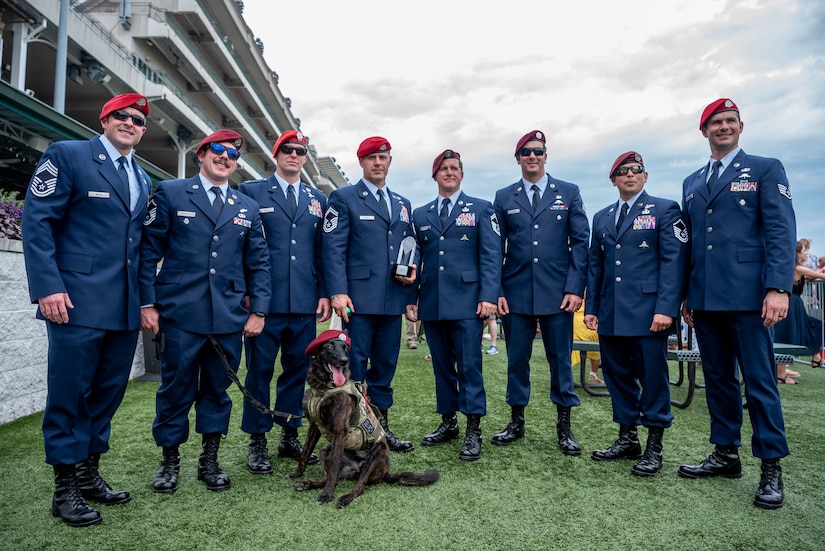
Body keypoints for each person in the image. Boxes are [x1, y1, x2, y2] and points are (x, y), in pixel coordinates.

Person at [22, 93, 152, 527]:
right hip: (73, 302)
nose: (130, 123)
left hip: (123, 307)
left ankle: (88, 474)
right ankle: (65, 490)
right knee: (69, 395)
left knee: (107, 395)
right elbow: (37, 220)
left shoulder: (141, 176)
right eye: (122, 116)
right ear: (105, 118)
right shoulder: (70, 154)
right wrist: (47, 287)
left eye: (138, 120)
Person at [678, 98, 796, 510]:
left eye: (730, 121)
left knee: (760, 383)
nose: (723, 127)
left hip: (750, 298)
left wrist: (778, 287)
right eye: (716, 122)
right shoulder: (692, 181)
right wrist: (687, 294)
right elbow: (690, 244)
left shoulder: (766, 168)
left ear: (741, 127)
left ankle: (770, 466)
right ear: (704, 131)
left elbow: (781, 229)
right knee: (719, 381)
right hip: (707, 299)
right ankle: (726, 454)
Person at [140, 130, 271, 494]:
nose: (225, 157)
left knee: (217, 390)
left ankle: (209, 461)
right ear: (202, 154)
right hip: (180, 313)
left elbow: (259, 262)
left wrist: (259, 310)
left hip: (228, 316)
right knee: (175, 389)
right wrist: (146, 303)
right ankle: (169, 462)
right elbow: (148, 251)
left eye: (232, 154)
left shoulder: (246, 206)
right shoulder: (170, 192)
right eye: (218, 150)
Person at [585, 151, 688, 477]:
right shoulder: (601, 217)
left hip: (648, 315)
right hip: (611, 313)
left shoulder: (665, 209)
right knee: (617, 378)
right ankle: (627, 437)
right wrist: (592, 309)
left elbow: (674, 262)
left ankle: (654, 446)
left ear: (645, 177)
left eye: (637, 170)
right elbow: (596, 267)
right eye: (623, 171)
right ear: (614, 179)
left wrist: (666, 308)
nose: (631, 175)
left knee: (653, 379)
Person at [236, 130, 330, 474]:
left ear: (305, 157)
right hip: (265, 301)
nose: (294, 155)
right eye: (287, 150)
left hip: (304, 301)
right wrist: (246, 291)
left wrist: (323, 292)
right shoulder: (251, 191)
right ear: (276, 155)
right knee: (259, 371)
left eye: (300, 151)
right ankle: (258, 440)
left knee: (296, 372)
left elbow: (322, 251)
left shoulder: (317, 198)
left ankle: (289, 434)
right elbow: (241, 246)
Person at [492, 130, 590, 455]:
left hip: (558, 294)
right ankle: (516, 422)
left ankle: (564, 427)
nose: (533, 156)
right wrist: (499, 290)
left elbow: (580, 243)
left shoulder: (569, 192)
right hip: (516, 294)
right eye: (526, 152)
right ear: (518, 158)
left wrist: (576, 287)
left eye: (538, 151)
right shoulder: (504, 197)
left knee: (560, 361)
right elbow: (495, 248)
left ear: (546, 156)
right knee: (516, 361)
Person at [322, 136, 418, 452]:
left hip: (392, 299)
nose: (378, 162)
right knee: (357, 367)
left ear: (390, 162)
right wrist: (337, 291)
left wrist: (412, 279)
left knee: (386, 365)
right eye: (372, 158)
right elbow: (333, 248)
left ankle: (381, 428)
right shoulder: (344, 197)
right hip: (358, 301)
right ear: (361, 162)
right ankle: (355, 430)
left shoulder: (403, 203)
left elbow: (410, 247)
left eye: (383, 157)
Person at [408, 149, 501, 461]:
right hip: (432, 302)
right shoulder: (419, 215)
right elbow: (412, 262)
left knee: (470, 366)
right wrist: (412, 300)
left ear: (462, 174)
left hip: (467, 303)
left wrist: (489, 296)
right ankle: (448, 422)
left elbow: (491, 256)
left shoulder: (481, 209)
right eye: (444, 168)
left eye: (455, 168)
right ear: (435, 175)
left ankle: (473, 427)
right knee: (442, 367)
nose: (450, 172)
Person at [773, 240, 825, 378]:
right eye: (804, 251)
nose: (806, 253)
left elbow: (809, 276)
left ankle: (815, 357)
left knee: (787, 334)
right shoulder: (798, 269)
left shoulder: (793, 269)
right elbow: (821, 276)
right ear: (797, 254)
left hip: (792, 304)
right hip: (792, 304)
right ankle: (781, 375)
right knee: (786, 335)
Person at [571, 297, 601, 384]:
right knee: (597, 335)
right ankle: (594, 373)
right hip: (588, 320)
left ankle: (563, 373)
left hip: (573, 320)